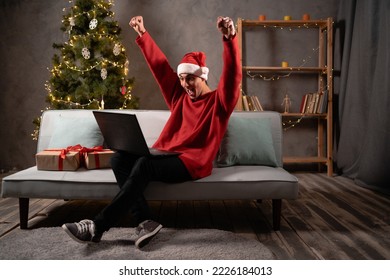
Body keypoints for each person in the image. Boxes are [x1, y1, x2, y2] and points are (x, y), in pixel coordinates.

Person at [62, 15, 242, 249]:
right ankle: (145, 221)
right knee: (119, 159)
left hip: (192, 163)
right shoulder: (179, 96)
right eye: (181, 79)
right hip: (167, 153)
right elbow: (160, 68)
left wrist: (229, 39)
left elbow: (232, 75)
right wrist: (143, 34)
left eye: (190, 79)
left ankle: (97, 226)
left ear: (202, 76)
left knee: (143, 166)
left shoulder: (220, 101)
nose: (185, 85)